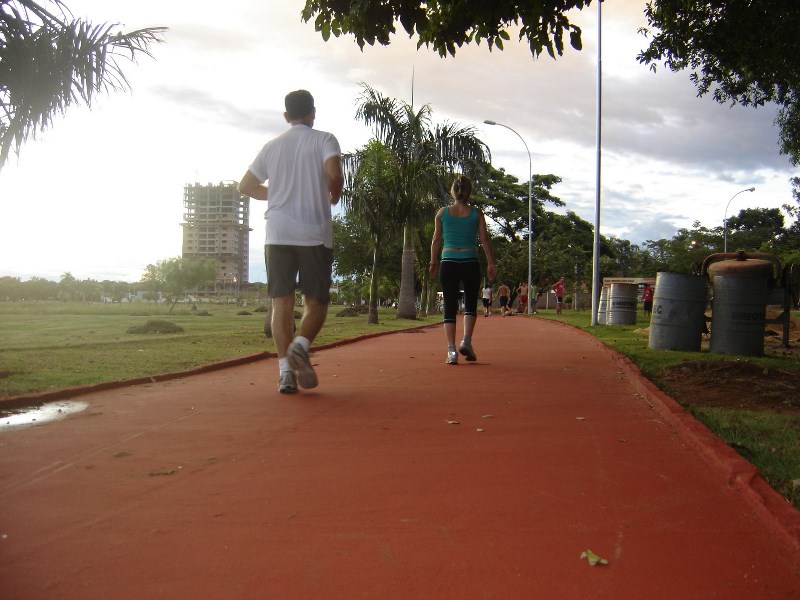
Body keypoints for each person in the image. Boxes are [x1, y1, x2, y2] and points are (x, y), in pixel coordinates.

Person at [238, 89, 344, 394]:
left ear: (286, 116)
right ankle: (300, 346)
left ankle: (285, 372)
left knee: (280, 303)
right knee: (318, 302)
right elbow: (334, 173)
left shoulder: (272, 146)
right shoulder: (325, 139)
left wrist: (279, 192)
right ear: (313, 113)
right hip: (312, 232)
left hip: (278, 233)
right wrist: (334, 193)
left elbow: (245, 186)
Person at [429, 175, 497, 364]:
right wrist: (491, 263)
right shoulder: (477, 213)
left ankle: (451, 351)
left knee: (449, 305)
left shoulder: (442, 213)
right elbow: (484, 240)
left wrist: (433, 262)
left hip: (448, 261)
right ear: (469, 192)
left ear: (453, 191)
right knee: (470, 303)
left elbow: (436, 240)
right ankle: (466, 340)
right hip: (470, 261)